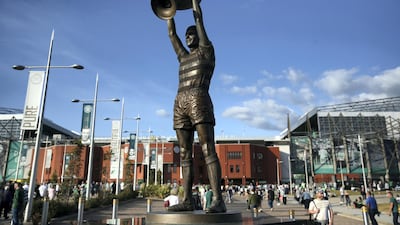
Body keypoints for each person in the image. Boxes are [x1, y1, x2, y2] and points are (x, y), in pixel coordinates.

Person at [163, 0, 226, 213]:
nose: (188, 36)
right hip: (180, 102)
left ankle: (218, 200)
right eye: (187, 34)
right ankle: (187, 199)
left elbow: (199, 21)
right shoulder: (183, 57)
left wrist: (193, 5)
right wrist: (168, 9)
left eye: (192, 33)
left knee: (208, 149)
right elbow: (172, 34)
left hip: (199, 99)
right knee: (184, 154)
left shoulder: (207, 51)